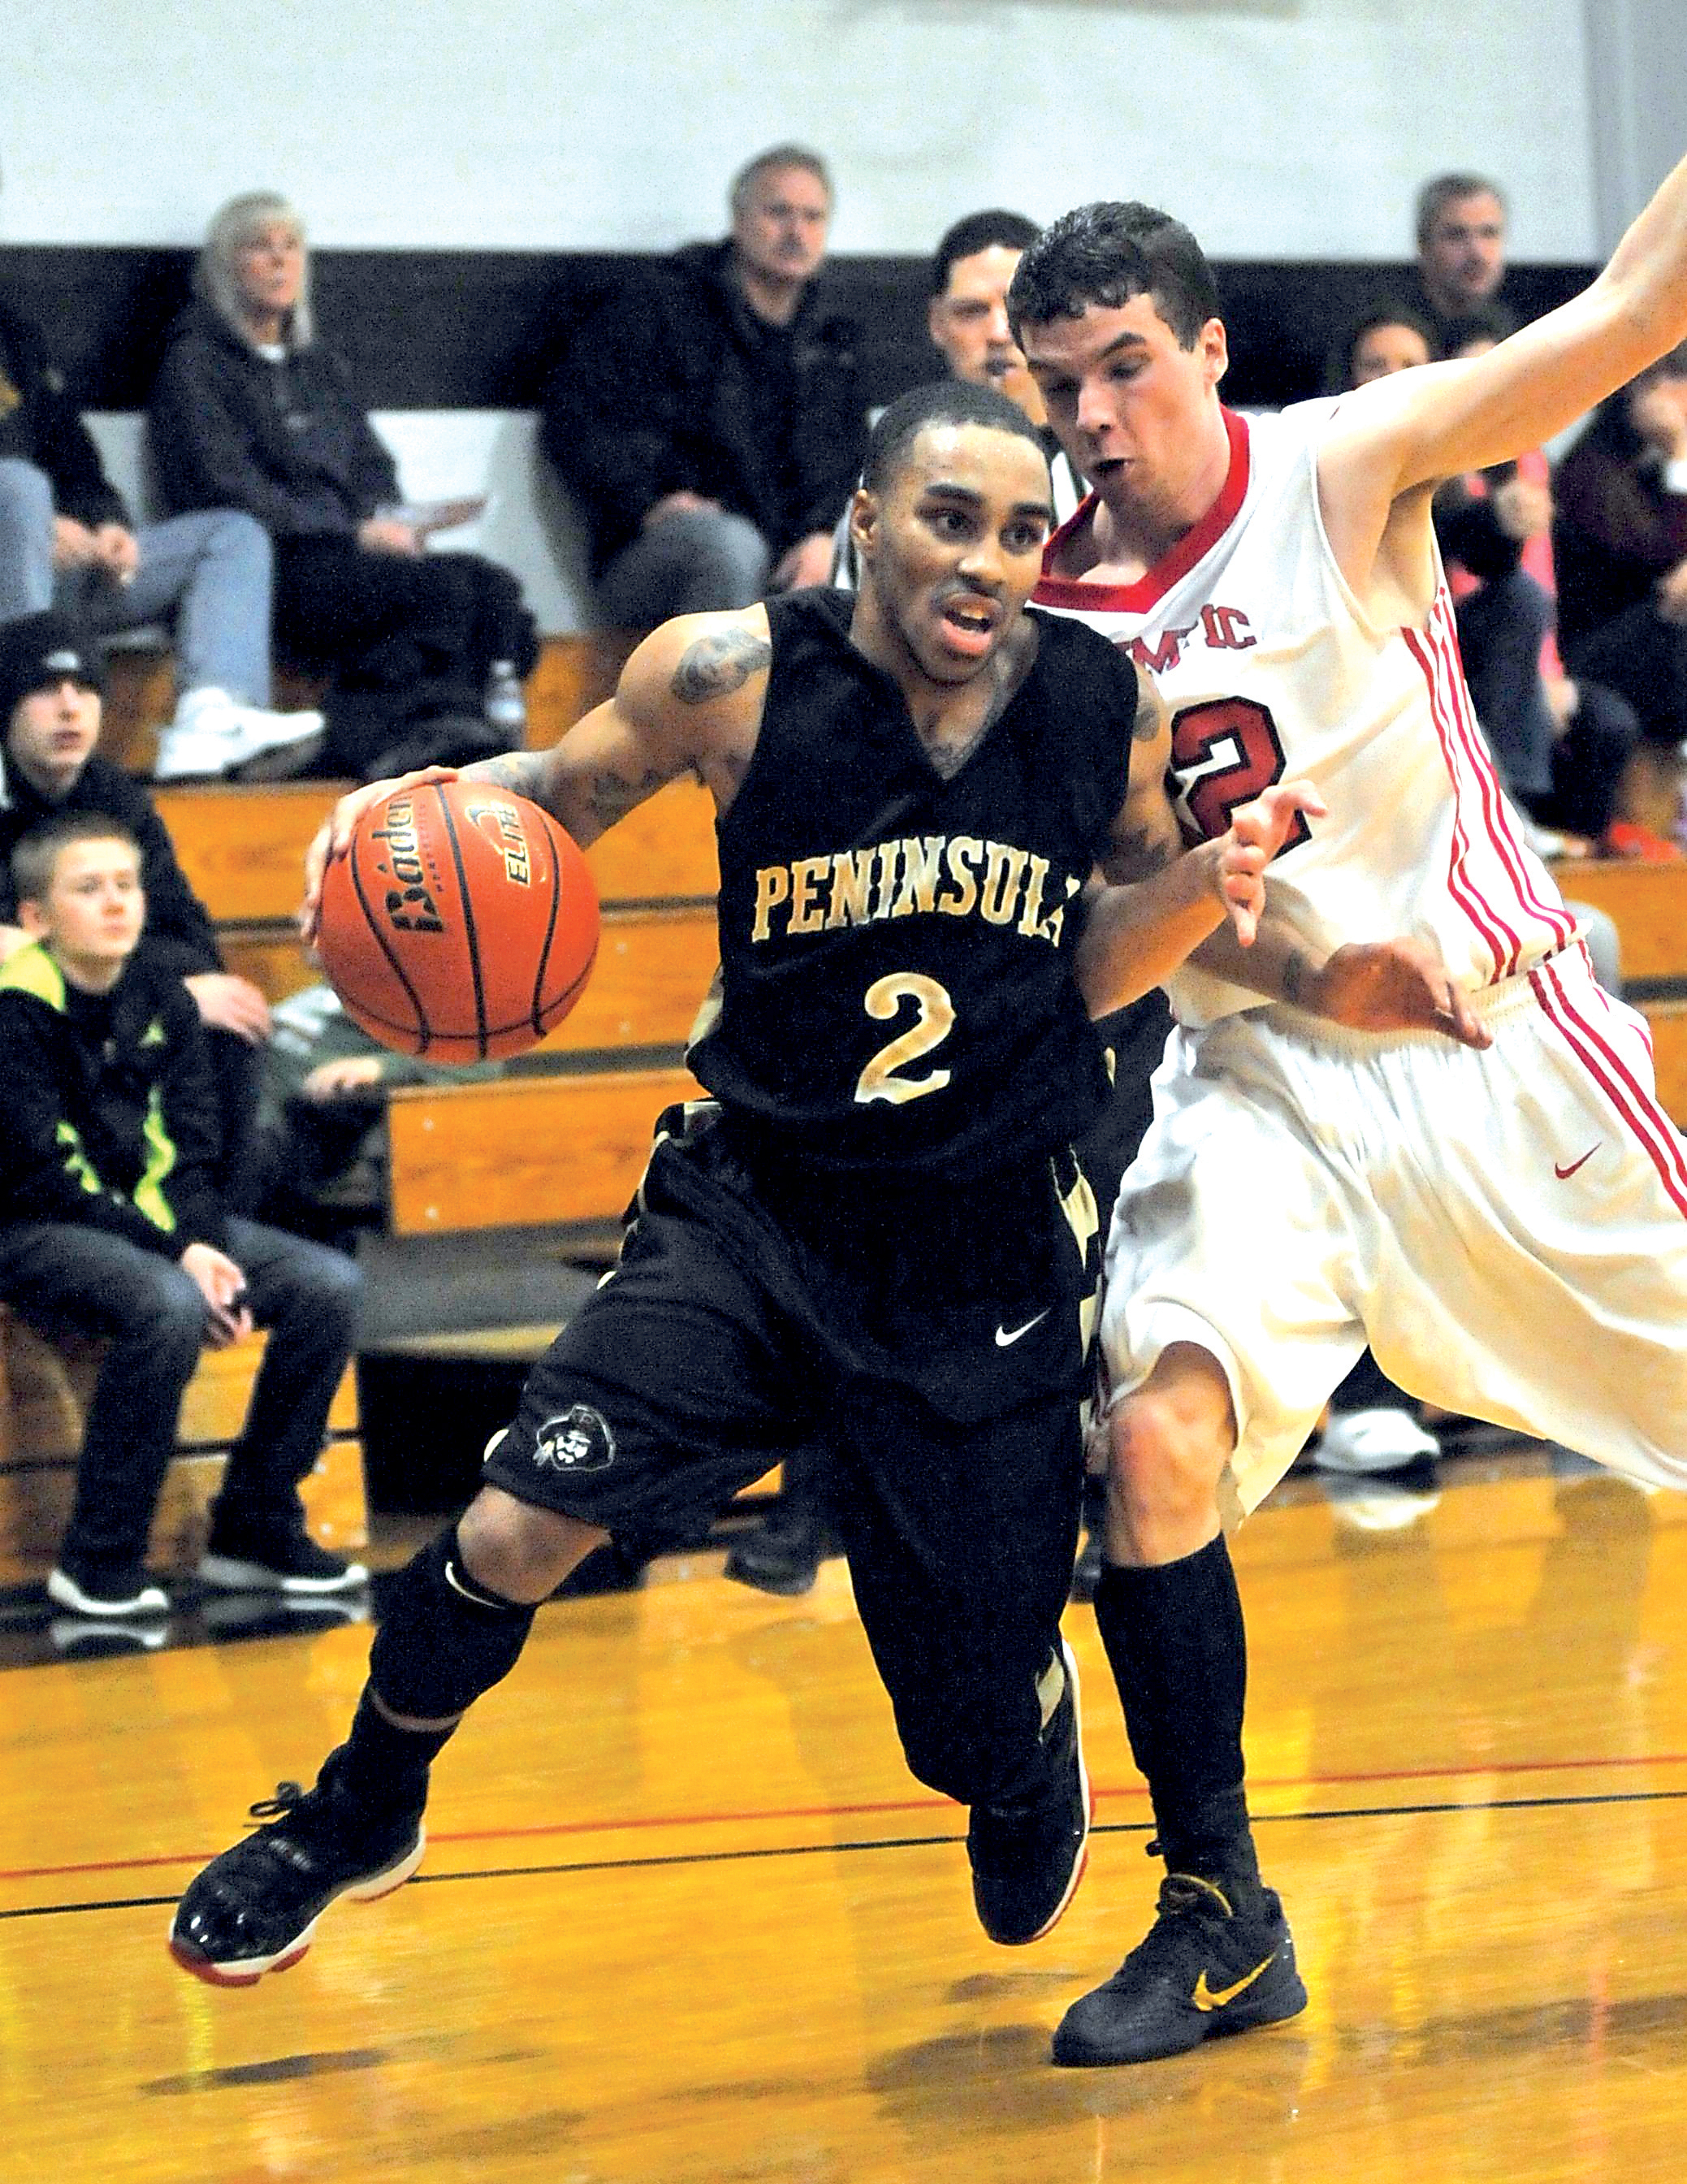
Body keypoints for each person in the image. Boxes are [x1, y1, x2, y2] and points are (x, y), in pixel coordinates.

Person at [167, 377, 1343, 1993]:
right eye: (948, 519)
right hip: (758, 1209)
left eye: (1021, 530)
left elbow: (1096, 958)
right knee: (519, 1517)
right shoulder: (724, 672)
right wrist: (392, 818)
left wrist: (1212, 889)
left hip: (978, 1248)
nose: (986, 561)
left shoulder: (1104, 704)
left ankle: (1017, 1741)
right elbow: (555, 795)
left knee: (964, 1723)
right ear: (865, 517)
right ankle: (358, 1805)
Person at [1010, 174, 1687, 2069]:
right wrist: (1311, 975)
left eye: (1123, 367)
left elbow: (1628, 314)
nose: (1090, 416)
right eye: (1056, 384)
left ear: (1208, 350)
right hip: (1261, 1086)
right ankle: (1218, 1915)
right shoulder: (1044, 613)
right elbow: (1124, 909)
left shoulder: (1340, 463)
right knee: (1152, 1446)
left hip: (1498, 1055)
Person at [0, 810, 366, 1615]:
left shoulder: (162, 994)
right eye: (88, 888)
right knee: (167, 1303)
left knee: (327, 1284)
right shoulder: (17, 1006)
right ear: (35, 917)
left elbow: (192, 1155)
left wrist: (198, 1243)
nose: (116, 903)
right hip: (35, 1226)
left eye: (127, 885)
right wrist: (179, 1256)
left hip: (155, 1229)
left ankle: (253, 1526)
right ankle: (98, 1560)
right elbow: (44, 1175)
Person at [148, 192, 539, 780]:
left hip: (351, 553)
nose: (279, 261)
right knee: (443, 595)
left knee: (493, 590)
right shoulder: (194, 364)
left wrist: (394, 519)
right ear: (226, 266)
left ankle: (449, 731)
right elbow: (223, 487)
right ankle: (381, 737)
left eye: (291, 246)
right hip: (273, 565)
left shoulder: (318, 365)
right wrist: (351, 530)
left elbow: (370, 462)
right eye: (260, 248)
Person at [0, 608, 280, 1205]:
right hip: (24, 1016)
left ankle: (214, 1224)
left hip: (102, 991)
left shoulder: (116, 798)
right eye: (45, 689)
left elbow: (185, 936)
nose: (70, 708)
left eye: (85, 688)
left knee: (227, 1023)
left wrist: (168, 992)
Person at [0, 276, 321, 782]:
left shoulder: (12, 336)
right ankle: (16, 713)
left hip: (53, 576)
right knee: (18, 489)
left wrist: (107, 524)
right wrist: (26, 521)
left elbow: (74, 459)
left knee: (231, 536)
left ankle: (212, 716)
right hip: (15, 561)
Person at [540, 145, 863, 627]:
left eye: (812, 217)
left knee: (863, 557)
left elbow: (851, 463)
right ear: (739, 219)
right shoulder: (662, 307)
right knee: (731, 547)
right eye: (779, 213)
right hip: (659, 549)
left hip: (790, 555)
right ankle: (711, 681)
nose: (796, 232)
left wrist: (826, 536)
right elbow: (576, 420)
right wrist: (645, 502)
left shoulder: (832, 337)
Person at [1552, 340, 1687, 758]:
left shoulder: (1652, 465)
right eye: (1658, 377)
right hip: (1590, 647)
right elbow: (1661, 560)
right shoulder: (1588, 470)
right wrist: (1679, 454)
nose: (1672, 392)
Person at [1406, 172, 1515, 354]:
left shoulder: (1520, 331)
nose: (1477, 253)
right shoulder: (1393, 333)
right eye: (1456, 235)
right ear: (1423, 244)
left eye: (1489, 233)